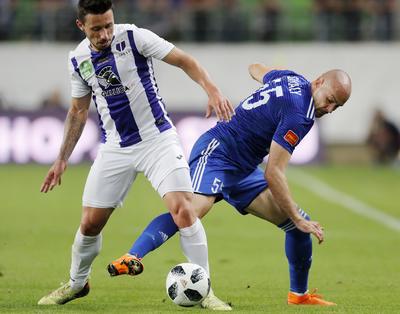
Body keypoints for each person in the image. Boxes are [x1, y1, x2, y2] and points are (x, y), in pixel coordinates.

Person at [37, 0, 234, 310]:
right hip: (116, 146)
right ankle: (77, 283)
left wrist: (211, 89)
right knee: (89, 223)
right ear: (81, 26)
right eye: (96, 29)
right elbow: (77, 110)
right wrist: (62, 158)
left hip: (158, 138)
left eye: (107, 25)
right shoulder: (78, 59)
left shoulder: (134, 37)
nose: (104, 34)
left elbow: (183, 60)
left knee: (183, 209)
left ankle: (205, 290)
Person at [108, 64, 352, 307]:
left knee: (298, 229)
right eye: (329, 100)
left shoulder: (293, 79)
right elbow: (274, 172)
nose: (329, 109)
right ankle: (132, 256)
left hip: (243, 168)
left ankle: (299, 296)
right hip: (218, 152)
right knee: (191, 211)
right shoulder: (300, 115)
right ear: (319, 82)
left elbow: (255, 68)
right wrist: (297, 217)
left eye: (337, 106)